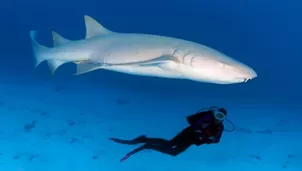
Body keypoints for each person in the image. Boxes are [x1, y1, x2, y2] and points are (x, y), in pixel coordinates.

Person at [109, 106, 227, 162]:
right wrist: (202, 131)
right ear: (214, 114)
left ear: (223, 119)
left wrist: (208, 138)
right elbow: (195, 125)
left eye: (221, 117)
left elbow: (217, 140)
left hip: (192, 140)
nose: (218, 118)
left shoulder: (219, 127)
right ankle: (145, 141)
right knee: (170, 144)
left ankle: (147, 143)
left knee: (173, 152)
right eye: (217, 115)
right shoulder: (207, 117)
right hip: (188, 133)